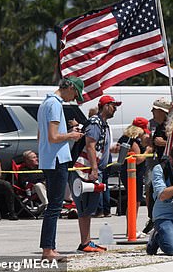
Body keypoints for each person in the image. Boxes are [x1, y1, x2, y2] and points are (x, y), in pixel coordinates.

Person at [36, 76, 85, 262]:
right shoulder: (55, 105)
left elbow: (40, 136)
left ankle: (50, 248)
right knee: (55, 206)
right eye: (75, 93)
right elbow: (53, 137)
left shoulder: (45, 103)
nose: (74, 98)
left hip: (48, 159)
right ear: (69, 87)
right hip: (57, 160)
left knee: (53, 206)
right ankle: (48, 250)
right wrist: (72, 135)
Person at [70, 95, 120, 253]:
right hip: (85, 171)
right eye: (113, 105)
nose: (115, 108)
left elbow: (97, 146)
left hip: (92, 170)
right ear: (105, 106)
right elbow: (90, 146)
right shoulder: (95, 122)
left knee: (89, 208)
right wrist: (93, 169)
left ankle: (87, 241)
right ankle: (85, 243)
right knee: (85, 206)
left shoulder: (102, 124)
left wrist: (111, 149)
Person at [115, 117, 152, 237]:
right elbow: (138, 159)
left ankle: (131, 228)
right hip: (132, 174)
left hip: (130, 173)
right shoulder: (132, 141)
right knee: (134, 201)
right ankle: (131, 229)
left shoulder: (126, 138)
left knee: (134, 201)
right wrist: (147, 151)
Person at [143, 97, 172, 234]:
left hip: (170, 165)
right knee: (151, 190)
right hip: (159, 163)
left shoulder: (171, 126)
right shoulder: (159, 126)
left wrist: (165, 143)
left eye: (154, 110)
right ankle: (153, 218)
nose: (152, 112)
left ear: (162, 111)